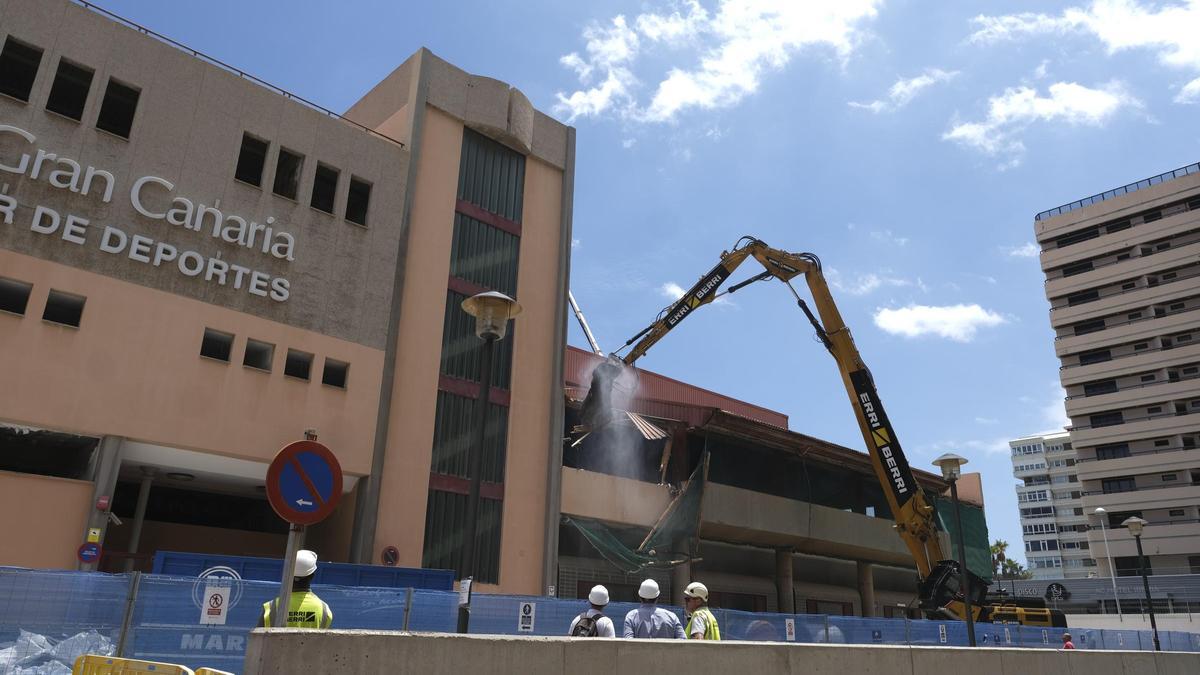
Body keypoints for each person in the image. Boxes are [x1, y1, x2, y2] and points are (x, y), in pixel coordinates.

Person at [258, 549, 333, 628]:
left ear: (288, 573)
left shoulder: (271, 608)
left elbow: (257, 638)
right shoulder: (324, 610)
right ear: (312, 576)